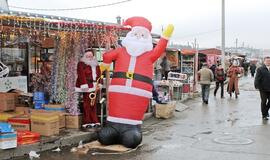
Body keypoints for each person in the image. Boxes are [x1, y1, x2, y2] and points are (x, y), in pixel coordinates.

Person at [98, 16, 174, 148]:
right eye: (136, 34)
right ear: (130, 36)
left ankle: (131, 130)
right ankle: (113, 128)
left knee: (131, 137)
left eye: (142, 35)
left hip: (139, 92)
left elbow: (160, 49)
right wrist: (104, 64)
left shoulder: (149, 55)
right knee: (109, 127)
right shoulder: (121, 51)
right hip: (118, 89)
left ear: (148, 38)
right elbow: (108, 56)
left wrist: (165, 37)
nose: (139, 37)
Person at [76, 48, 102, 127]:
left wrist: (99, 83)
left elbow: (99, 75)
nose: (89, 57)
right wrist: (84, 85)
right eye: (87, 56)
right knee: (87, 104)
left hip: (95, 85)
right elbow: (81, 75)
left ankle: (94, 120)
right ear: (84, 56)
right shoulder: (81, 63)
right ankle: (86, 122)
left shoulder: (96, 64)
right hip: (87, 86)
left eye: (90, 55)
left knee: (93, 104)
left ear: (93, 56)